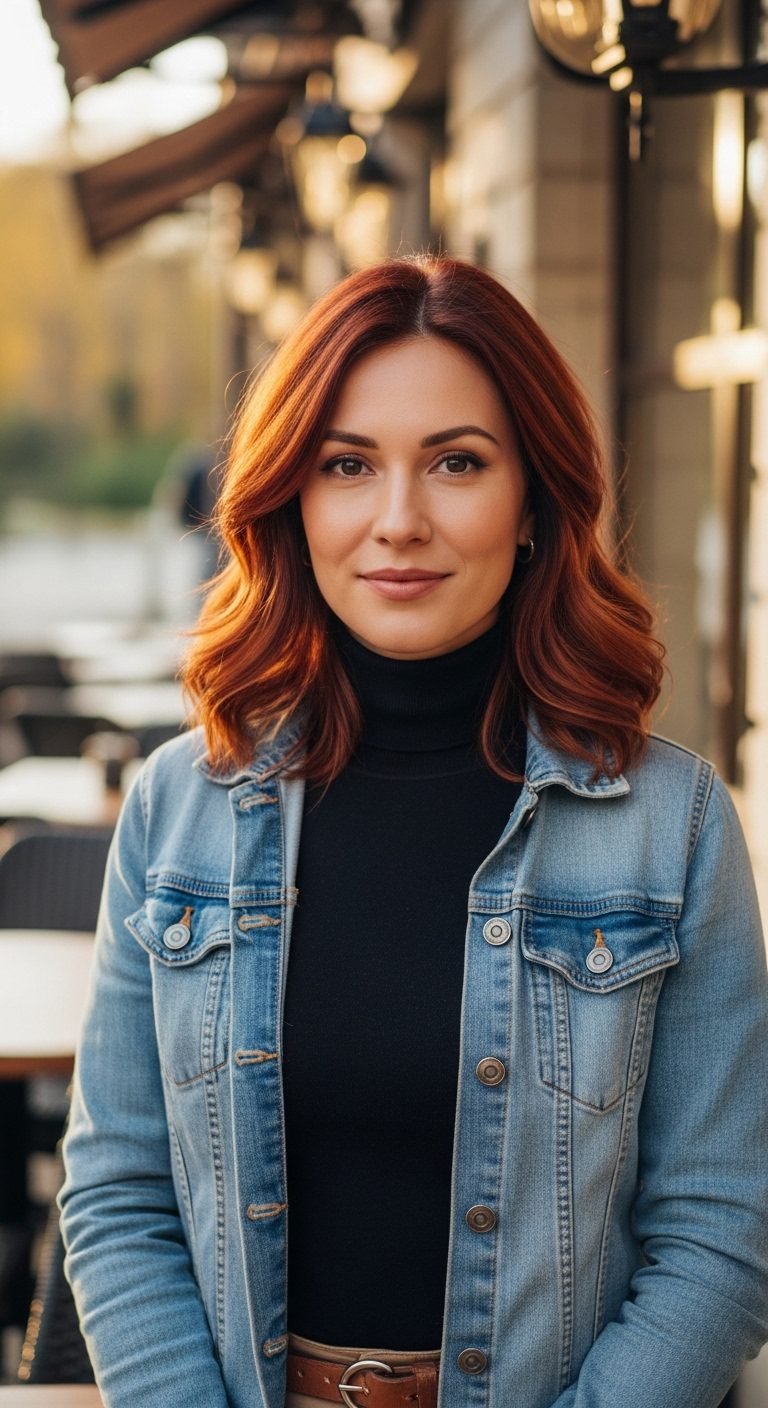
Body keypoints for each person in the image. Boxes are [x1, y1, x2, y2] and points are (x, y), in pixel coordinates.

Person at [59, 255, 768, 1408]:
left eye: (456, 461)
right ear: (292, 495)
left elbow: (721, 1231)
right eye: (348, 464)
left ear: (534, 498)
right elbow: (119, 1192)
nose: (399, 520)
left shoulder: (671, 826)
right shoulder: (177, 807)